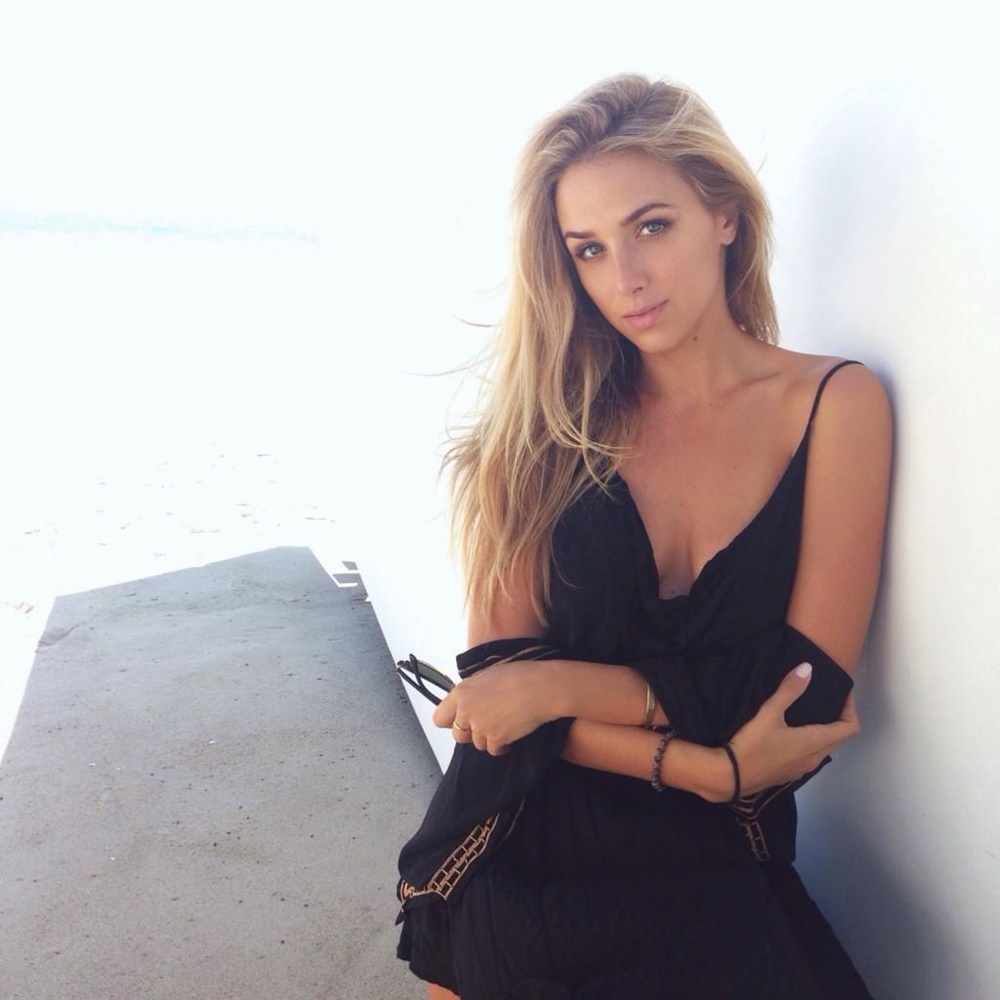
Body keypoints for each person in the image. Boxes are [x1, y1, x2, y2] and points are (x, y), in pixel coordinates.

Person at [395, 73, 892, 999]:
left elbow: (806, 687)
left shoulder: (834, 404)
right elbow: (499, 704)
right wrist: (708, 766)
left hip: (716, 847)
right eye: (588, 249)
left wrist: (560, 686)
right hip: (527, 833)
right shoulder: (542, 429)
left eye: (651, 227)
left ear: (725, 214)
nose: (623, 279)